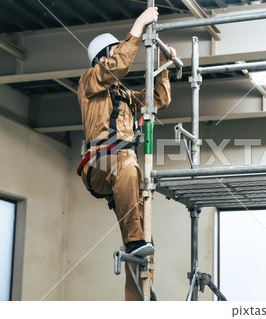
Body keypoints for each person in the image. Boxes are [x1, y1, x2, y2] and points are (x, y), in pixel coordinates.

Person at [77, 7, 176, 300]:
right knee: (126, 163)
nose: (116, 57)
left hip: (123, 167)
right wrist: (138, 27)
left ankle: (139, 299)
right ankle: (133, 242)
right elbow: (117, 67)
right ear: (101, 59)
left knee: (148, 236)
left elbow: (158, 100)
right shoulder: (89, 83)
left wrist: (163, 65)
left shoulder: (124, 96)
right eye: (112, 53)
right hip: (99, 163)